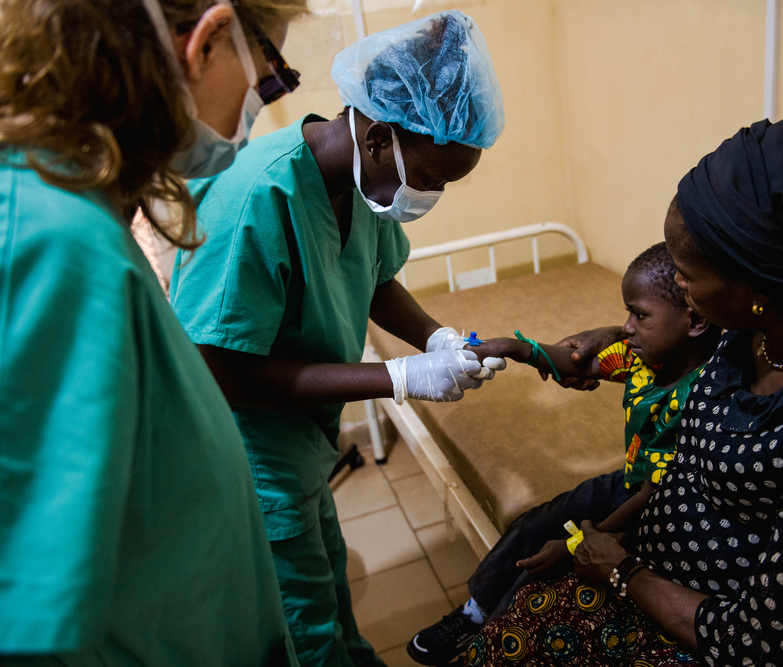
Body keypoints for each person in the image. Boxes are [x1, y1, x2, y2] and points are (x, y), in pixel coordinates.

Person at [468, 116, 783, 667]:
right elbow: (684, 470)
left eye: (687, 275)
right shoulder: (743, 338)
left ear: (757, 283)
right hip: (650, 574)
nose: (680, 287)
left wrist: (620, 570)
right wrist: (590, 543)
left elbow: (760, 645)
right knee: (513, 630)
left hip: (733, 642)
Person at [0, 0, 307, 663]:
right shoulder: (39, 239)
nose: (256, 107)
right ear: (205, 40)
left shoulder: (61, 196)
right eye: (268, 78)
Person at [169, 10, 506, 667]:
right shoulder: (255, 196)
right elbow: (221, 370)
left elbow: (376, 278)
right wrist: (399, 378)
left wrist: (435, 338)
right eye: (432, 179)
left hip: (301, 439)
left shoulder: (358, 182)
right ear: (380, 137)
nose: (429, 194)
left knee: (326, 576)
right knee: (305, 620)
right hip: (253, 450)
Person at [407, 242, 721, 666]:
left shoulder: (701, 397)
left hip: (655, 505)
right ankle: (475, 613)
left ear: (696, 321)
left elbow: (657, 493)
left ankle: (491, 640)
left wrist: (576, 545)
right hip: (629, 480)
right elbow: (576, 364)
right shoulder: (643, 359)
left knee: (548, 568)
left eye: (639, 315)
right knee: (532, 525)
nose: (625, 327)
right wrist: (514, 348)